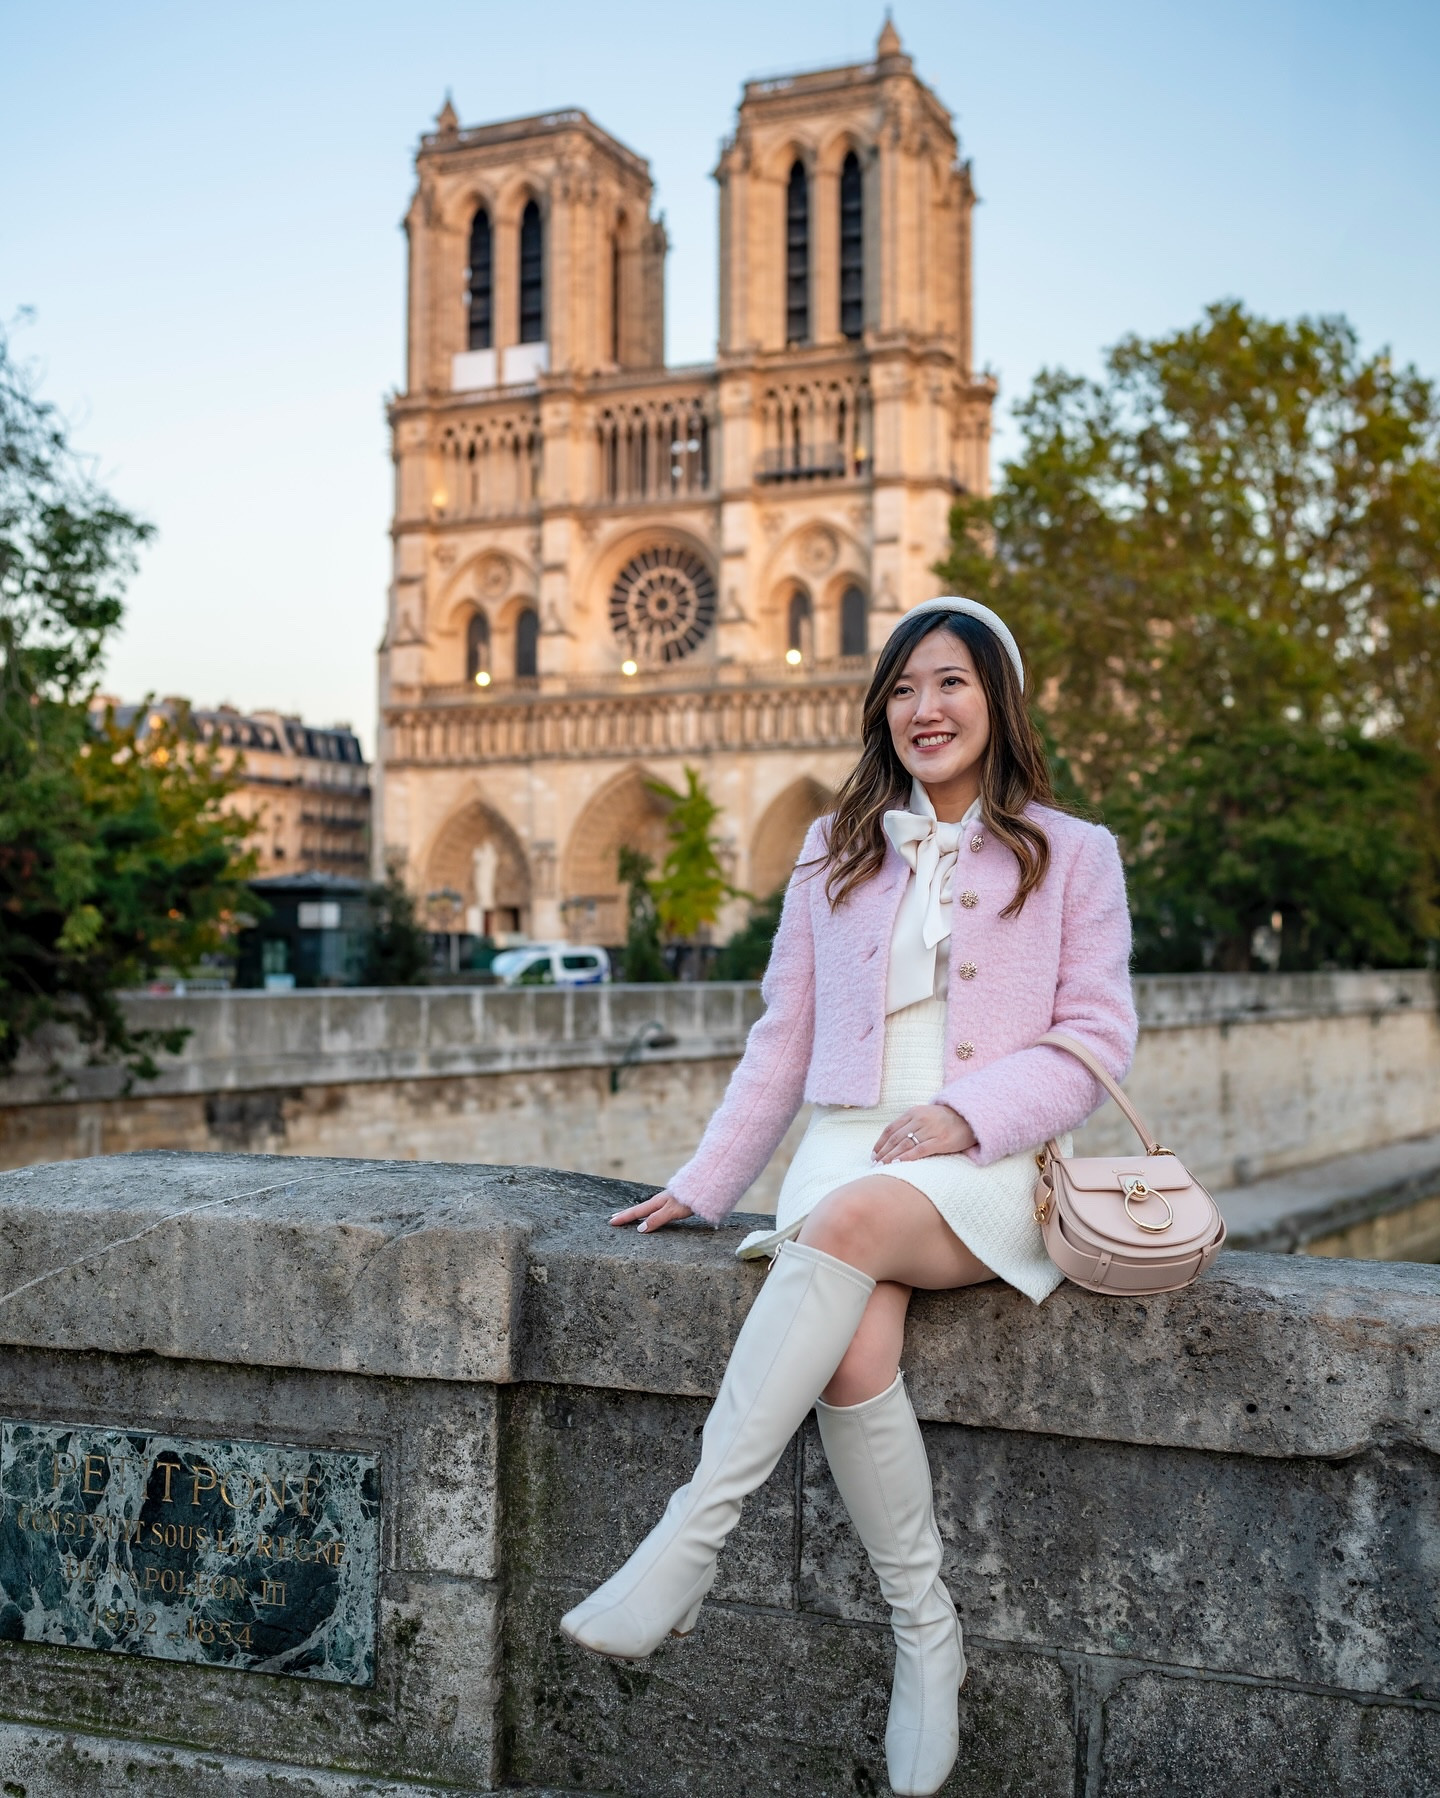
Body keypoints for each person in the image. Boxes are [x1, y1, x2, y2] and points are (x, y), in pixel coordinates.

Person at [561, 598, 1138, 1796]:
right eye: (904, 688)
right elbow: (784, 1038)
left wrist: (972, 1116)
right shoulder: (834, 849)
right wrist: (706, 1181)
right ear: (882, 709)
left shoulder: (1075, 849)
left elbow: (1096, 1040)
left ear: (998, 702)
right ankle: (927, 1636)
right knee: (853, 1343)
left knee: (850, 1226)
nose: (925, 708)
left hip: (985, 1151)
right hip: (845, 1140)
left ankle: (689, 1540)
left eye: (952, 684)